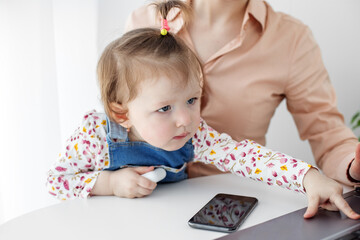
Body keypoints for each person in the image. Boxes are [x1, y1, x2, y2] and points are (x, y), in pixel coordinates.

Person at [46, 1, 360, 220]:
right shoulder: (96, 135)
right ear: (121, 113)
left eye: (192, 101)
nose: (185, 120)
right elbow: (57, 180)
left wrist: (308, 177)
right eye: (165, 107)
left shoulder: (198, 137)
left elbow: (247, 157)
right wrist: (109, 184)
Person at [125, 0, 360, 187]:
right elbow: (119, 119)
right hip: (146, 204)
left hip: (235, 201)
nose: (185, 121)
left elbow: (327, 132)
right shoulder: (145, 21)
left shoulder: (292, 39)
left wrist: (351, 164)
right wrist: (107, 182)